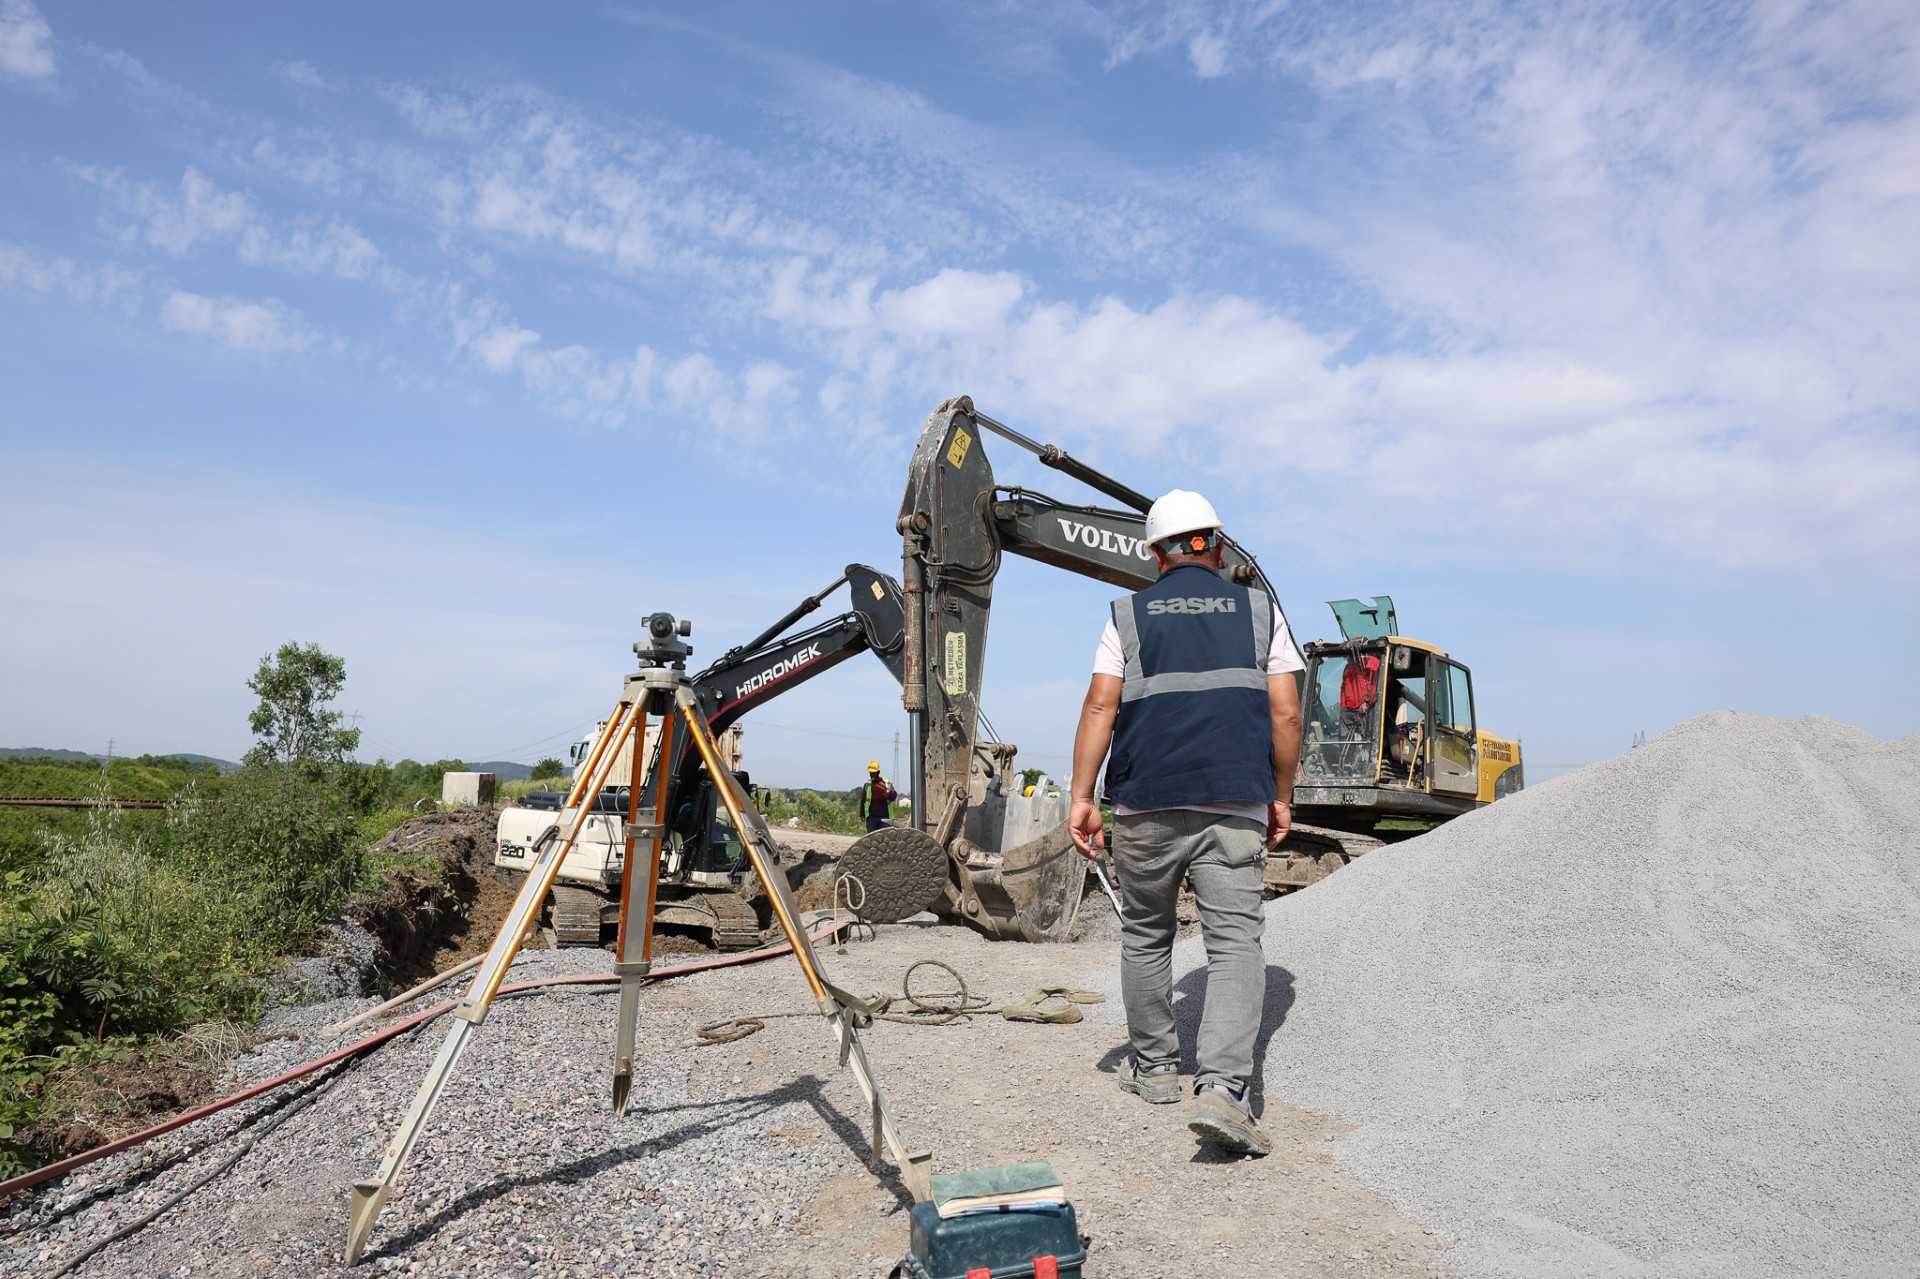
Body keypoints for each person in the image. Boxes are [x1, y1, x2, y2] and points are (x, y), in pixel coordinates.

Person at [1068, 489, 1303, 1157]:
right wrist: (1280, 793)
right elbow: (1286, 714)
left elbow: (1098, 706)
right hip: (1235, 801)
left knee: (1146, 934)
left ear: (1154, 553)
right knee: (1234, 944)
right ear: (1218, 545)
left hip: (1145, 798)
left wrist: (1082, 795)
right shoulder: (1262, 611)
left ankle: (1156, 1072)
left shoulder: (1127, 614)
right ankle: (1225, 1090)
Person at [858, 761, 896, 832]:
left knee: (885, 838)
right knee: (872, 839)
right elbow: (863, 800)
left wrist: (889, 795)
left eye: (874, 773)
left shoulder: (886, 784)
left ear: (878, 772)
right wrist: (862, 814)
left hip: (885, 817)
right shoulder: (867, 785)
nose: (872, 775)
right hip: (871, 817)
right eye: (871, 773)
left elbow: (894, 796)